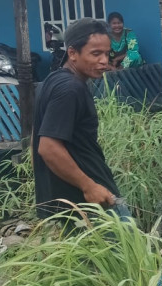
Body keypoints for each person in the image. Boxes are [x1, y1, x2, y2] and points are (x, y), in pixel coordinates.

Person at [33, 18, 123, 218]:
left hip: (70, 202)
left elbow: (37, 137)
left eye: (107, 54)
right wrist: (89, 186)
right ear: (72, 53)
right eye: (96, 54)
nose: (104, 61)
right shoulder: (69, 89)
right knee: (125, 245)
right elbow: (47, 147)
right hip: (91, 202)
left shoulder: (52, 81)